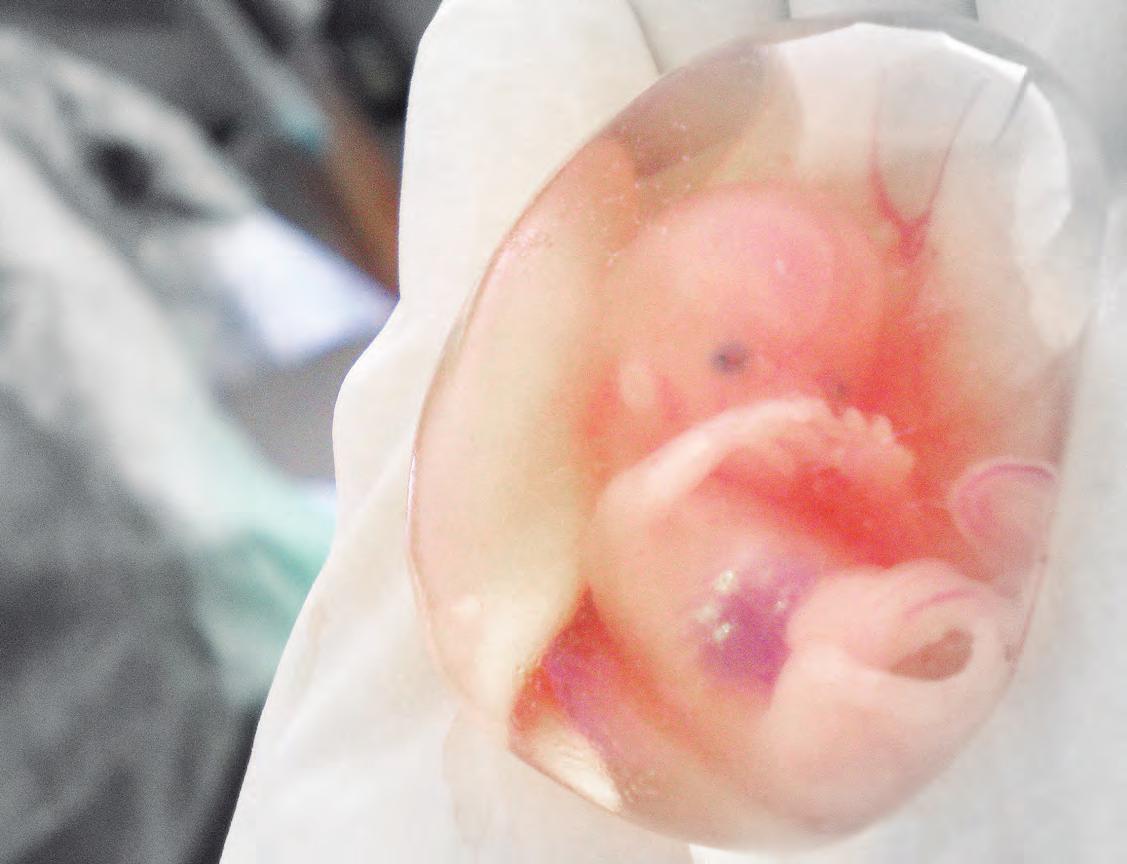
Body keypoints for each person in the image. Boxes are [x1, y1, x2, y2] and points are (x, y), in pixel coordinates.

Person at [221, 2, 1127, 861]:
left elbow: (885, 520)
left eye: (830, 378)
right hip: (756, 714)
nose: (789, 395)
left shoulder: (778, 489)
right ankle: (874, 698)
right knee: (820, 697)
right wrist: (733, 441)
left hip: (845, 638)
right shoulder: (636, 512)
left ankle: (934, 655)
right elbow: (642, 503)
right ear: (639, 379)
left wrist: (873, 467)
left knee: (906, 607)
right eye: (733, 361)